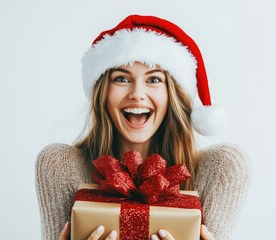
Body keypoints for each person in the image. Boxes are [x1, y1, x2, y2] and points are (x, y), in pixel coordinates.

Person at [36, 14, 250, 240]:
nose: (137, 94)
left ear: (173, 95)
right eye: (121, 79)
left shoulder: (221, 169)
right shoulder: (62, 166)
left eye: (154, 79)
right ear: (102, 94)